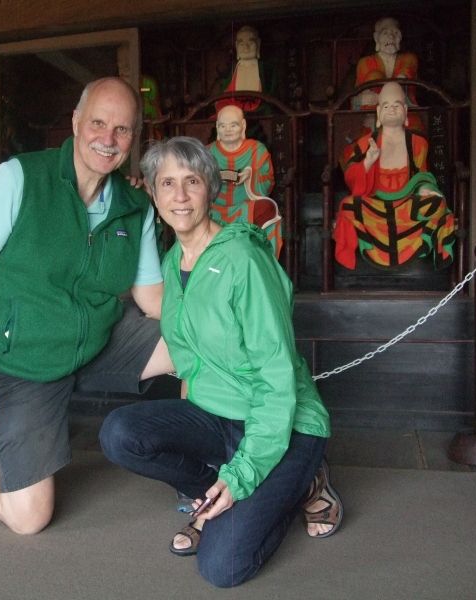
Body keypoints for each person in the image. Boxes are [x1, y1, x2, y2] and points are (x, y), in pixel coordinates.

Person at [0, 77, 172, 535]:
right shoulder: (16, 180)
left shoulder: (135, 207)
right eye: (98, 123)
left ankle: (211, 467)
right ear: (75, 122)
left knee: (192, 343)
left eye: (123, 130)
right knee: (29, 518)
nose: (108, 139)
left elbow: (154, 301)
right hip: (23, 363)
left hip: (96, 341)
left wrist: (226, 317)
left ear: (135, 137)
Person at [99, 136, 341, 588]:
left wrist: (245, 473)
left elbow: (276, 378)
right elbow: (190, 360)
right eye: (166, 183)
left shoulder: (243, 259)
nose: (180, 195)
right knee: (119, 433)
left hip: (281, 424)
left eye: (192, 180)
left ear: (210, 187)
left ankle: (300, 484)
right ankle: (213, 493)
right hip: (216, 415)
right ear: (152, 193)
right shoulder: (173, 263)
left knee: (221, 567)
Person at [335, 81, 456, 270]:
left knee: (437, 205)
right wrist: (368, 161)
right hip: (375, 204)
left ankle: (415, 250)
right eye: (386, 106)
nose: (391, 110)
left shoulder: (418, 142)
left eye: (397, 105)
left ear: (406, 111)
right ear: (378, 113)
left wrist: (426, 188)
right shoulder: (366, 143)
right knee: (348, 205)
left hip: (407, 204)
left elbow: (422, 175)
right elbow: (351, 179)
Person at [208, 104, 282, 258]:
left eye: (233, 125)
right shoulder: (207, 152)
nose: (227, 130)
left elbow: (268, 181)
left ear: (243, 126)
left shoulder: (256, 150)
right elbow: (194, 181)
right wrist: (210, 177)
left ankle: (263, 261)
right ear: (217, 127)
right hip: (214, 207)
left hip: (245, 206)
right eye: (222, 126)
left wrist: (250, 175)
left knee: (267, 208)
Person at [352, 17, 421, 132]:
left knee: (415, 138)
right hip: (374, 117)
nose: (391, 37)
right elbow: (356, 100)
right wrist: (363, 100)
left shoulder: (409, 59)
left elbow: (406, 86)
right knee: (374, 75)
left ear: (400, 38)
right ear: (376, 38)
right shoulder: (365, 63)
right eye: (385, 33)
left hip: (405, 115)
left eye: (395, 33)